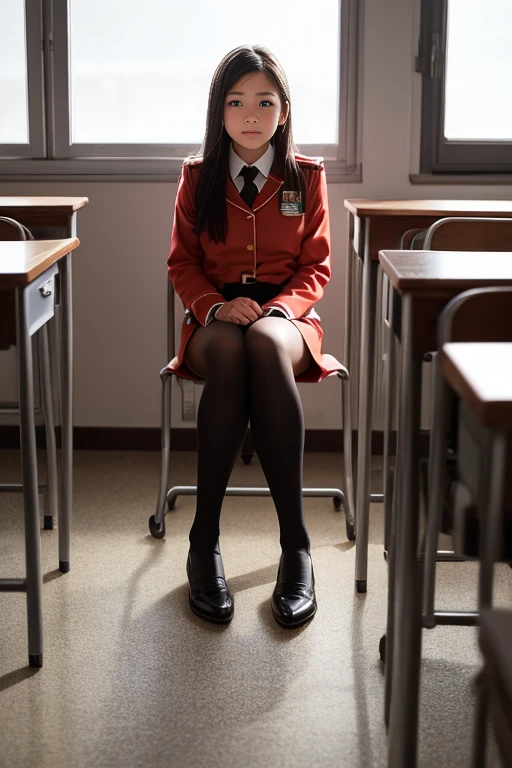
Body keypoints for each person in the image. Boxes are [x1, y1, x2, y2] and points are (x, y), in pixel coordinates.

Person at [168, 44, 339, 629]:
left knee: (262, 343)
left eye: (264, 102)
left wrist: (278, 310)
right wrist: (217, 306)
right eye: (236, 101)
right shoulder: (197, 178)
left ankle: (296, 548)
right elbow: (182, 265)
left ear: (283, 112)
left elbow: (316, 268)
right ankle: (204, 540)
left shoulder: (307, 177)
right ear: (219, 112)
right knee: (234, 348)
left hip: (285, 321)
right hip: (213, 320)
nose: (249, 113)